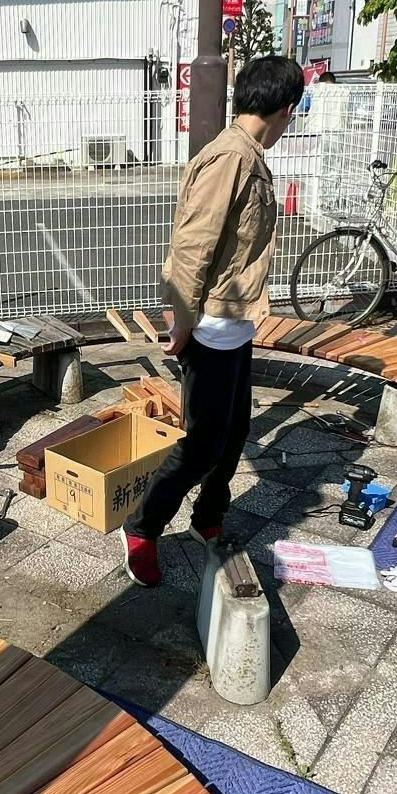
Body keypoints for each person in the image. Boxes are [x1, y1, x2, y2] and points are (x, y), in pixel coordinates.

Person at [122, 53, 305, 587]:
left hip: (236, 320)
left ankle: (208, 515)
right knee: (202, 442)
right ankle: (142, 528)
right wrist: (181, 320)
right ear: (286, 109)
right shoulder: (231, 158)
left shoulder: (248, 154)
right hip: (210, 326)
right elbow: (192, 245)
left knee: (235, 430)